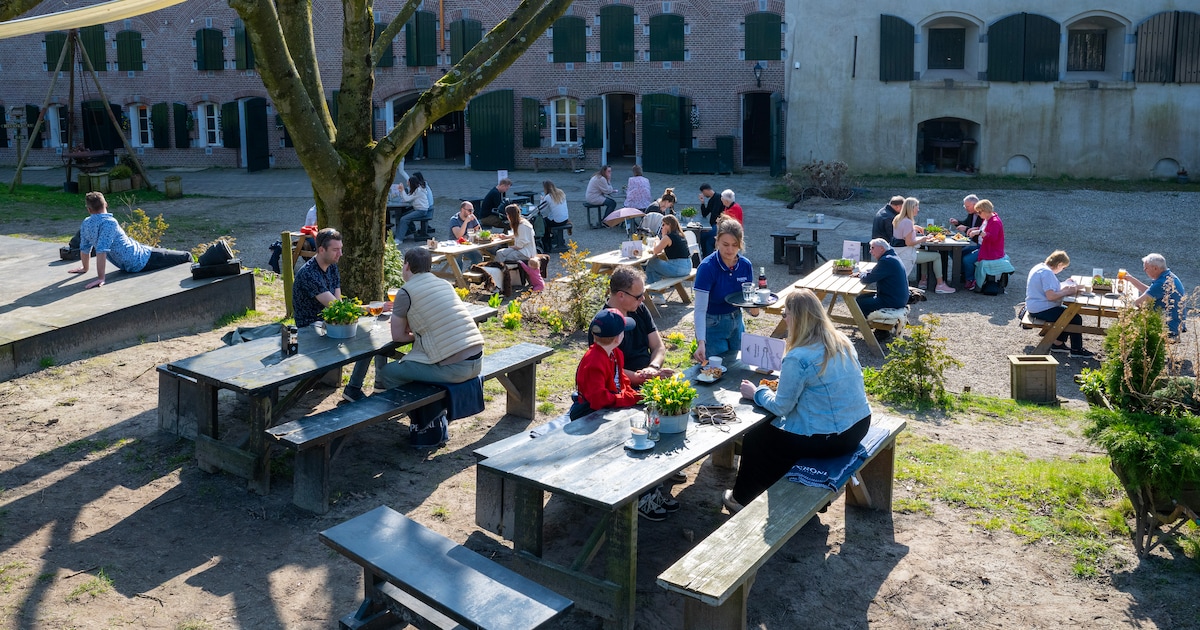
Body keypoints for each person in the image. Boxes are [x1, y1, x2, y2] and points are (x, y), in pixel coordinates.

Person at [725, 289, 872, 512]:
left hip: (830, 438)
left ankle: (742, 498)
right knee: (779, 438)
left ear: (797, 318)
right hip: (858, 426)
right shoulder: (841, 341)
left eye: (785, 314)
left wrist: (756, 392)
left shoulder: (798, 356)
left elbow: (781, 407)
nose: (784, 319)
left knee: (756, 438)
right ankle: (794, 494)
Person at [376, 246, 485, 390]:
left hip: (455, 367)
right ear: (429, 266)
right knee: (414, 365)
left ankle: (418, 404)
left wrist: (420, 335)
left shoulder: (405, 292)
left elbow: (397, 336)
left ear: (407, 265)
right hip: (477, 360)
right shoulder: (445, 284)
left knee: (388, 372)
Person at [290, 228, 372, 400]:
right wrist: (370, 308)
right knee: (364, 341)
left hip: (329, 322)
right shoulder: (309, 274)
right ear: (321, 250)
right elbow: (336, 308)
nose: (340, 254)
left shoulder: (332, 267)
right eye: (335, 250)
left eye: (341, 249)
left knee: (371, 338)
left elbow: (338, 303)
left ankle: (369, 386)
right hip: (310, 326)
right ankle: (352, 388)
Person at [68, 191, 192, 289]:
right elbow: (101, 251)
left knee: (151, 248)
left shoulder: (86, 223)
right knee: (186, 256)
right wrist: (101, 278)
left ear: (89, 210)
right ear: (106, 204)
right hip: (140, 260)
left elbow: (85, 248)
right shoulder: (109, 223)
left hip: (136, 253)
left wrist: (85, 268)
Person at [589, 267, 675, 387]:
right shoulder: (603, 324)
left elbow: (658, 346)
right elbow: (610, 369)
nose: (643, 299)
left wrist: (653, 367)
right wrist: (645, 377)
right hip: (621, 387)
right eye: (638, 296)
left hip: (649, 377)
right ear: (621, 295)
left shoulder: (640, 309)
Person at [692, 217, 756, 363]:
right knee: (720, 368)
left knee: (742, 365)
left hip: (737, 321)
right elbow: (700, 309)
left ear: (740, 244)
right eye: (725, 244)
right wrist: (701, 342)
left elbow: (747, 301)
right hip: (713, 324)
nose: (730, 250)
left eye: (735, 245)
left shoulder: (745, 265)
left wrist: (755, 307)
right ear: (717, 241)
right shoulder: (707, 267)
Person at [570, 308, 640, 420]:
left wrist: (633, 394)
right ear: (618, 338)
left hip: (609, 405)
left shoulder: (615, 353)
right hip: (588, 412)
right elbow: (599, 399)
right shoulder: (594, 363)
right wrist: (629, 398)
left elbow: (621, 379)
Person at [1025, 250, 1093, 358]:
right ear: (1059, 264)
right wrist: (1066, 292)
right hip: (1041, 308)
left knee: (1068, 313)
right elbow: (1051, 296)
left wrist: (1066, 286)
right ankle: (1076, 349)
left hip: (1035, 305)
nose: (1062, 270)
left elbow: (1049, 289)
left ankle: (1058, 343)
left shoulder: (1040, 267)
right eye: (1063, 267)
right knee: (1073, 317)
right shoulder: (1047, 273)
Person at [891, 197, 955, 294]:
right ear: (912, 208)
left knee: (926, 253)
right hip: (906, 254)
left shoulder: (898, 219)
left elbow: (902, 235)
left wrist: (914, 228)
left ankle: (923, 281)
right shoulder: (908, 222)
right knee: (937, 256)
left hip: (898, 251)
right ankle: (940, 285)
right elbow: (909, 242)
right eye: (917, 207)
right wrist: (923, 239)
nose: (918, 209)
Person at [854, 238, 909, 337]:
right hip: (898, 298)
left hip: (892, 301)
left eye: (872, 248)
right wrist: (865, 272)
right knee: (861, 298)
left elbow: (866, 279)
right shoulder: (891, 256)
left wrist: (861, 274)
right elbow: (876, 271)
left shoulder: (886, 261)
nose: (870, 251)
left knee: (859, 303)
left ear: (881, 249)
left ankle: (881, 329)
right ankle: (880, 327)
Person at [1126, 253, 1187, 338]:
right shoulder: (1168, 276)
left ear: (1155, 268)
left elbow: (1139, 303)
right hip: (1177, 324)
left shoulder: (1161, 283)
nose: (1144, 270)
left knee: (1129, 319)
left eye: (1146, 268)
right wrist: (1131, 279)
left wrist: (1125, 302)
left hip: (1169, 328)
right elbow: (1150, 292)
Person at [961, 199, 1004, 291]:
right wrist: (974, 229)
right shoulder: (987, 219)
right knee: (961, 252)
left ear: (985, 210)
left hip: (990, 250)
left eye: (979, 212)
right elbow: (984, 229)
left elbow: (993, 238)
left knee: (967, 259)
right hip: (982, 246)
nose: (978, 214)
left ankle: (971, 279)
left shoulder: (995, 222)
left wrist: (979, 232)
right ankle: (963, 275)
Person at [644, 215, 693, 284]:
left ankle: (652, 287)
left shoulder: (668, 237)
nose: (662, 227)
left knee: (652, 262)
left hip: (678, 268)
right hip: (688, 267)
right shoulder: (680, 235)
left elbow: (656, 251)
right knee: (658, 264)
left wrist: (658, 240)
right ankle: (657, 285)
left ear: (669, 225)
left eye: (663, 225)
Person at [391, 175, 432, 241]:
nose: (407, 184)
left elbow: (407, 199)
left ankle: (399, 239)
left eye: (408, 182)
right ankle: (407, 232)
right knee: (402, 215)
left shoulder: (418, 191)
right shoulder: (417, 189)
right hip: (419, 209)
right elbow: (407, 198)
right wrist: (401, 191)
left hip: (421, 210)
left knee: (404, 219)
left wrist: (402, 190)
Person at [537, 180, 571, 253]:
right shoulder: (561, 192)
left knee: (543, 223)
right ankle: (556, 239)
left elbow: (541, 209)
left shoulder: (548, 197)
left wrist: (542, 199)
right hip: (565, 218)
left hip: (557, 221)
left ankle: (547, 243)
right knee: (548, 219)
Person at [449, 201, 483, 266]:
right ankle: (458, 273)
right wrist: (466, 221)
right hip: (455, 246)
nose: (471, 213)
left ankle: (472, 271)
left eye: (472, 210)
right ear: (462, 210)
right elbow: (458, 235)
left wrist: (475, 230)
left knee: (478, 256)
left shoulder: (472, 217)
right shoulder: (454, 220)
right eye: (469, 210)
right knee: (458, 259)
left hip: (467, 245)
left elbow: (480, 232)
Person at [698, 183, 723, 256]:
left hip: (719, 225)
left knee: (706, 238)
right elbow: (704, 213)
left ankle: (707, 255)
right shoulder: (711, 200)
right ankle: (705, 255)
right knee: (702, 235)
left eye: (703, 192)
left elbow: (715, 214)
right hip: (713, 225)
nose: (703, 194)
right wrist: (702, 202)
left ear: (706, 190)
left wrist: (709, 228)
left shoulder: (718, 197)